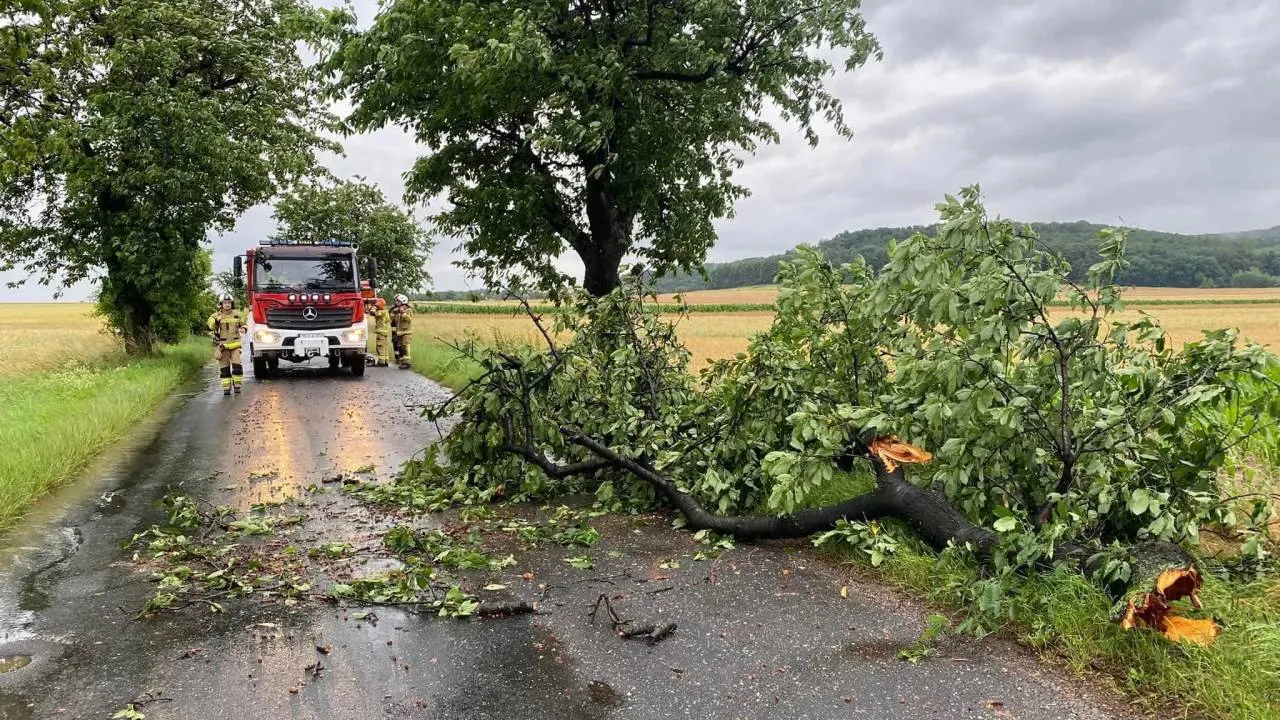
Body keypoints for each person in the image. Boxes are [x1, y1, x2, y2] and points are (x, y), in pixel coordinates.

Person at [208, 293, 247, 395]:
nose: (227, 305)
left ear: (231, 303)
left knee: (237, 366)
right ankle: (226, 388)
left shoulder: (237, 314)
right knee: (224, 369)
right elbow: (209, 327)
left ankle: (237, 386)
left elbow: (243, 323)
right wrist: (216, 321)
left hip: (235, 345)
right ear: (221, 304)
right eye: (225, 303)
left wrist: (243, 328)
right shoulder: (215, 316)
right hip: (222, 346)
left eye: (229, 302)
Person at [390, 294, 413, 369]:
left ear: (403, 302)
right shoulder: (397, 312)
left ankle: (407, 363)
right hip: (399, 333)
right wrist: (393, 312)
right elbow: (391, 320)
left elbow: (409, 319)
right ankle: (402, 361)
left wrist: (403, 312)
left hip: (406, 333)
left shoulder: (408, 310)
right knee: (400, 347)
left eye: (399, 302)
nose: (397, 303)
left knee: (405, 347)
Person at [371, 297, 393, 367]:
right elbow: (388, 320)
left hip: (381, 332)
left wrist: (373, 307)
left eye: (377, 305)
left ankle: (381, 362)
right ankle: (386, 361)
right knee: (385, 347)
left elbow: (372, 313)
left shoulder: (381, 312)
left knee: (380, 346)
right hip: (385, 331)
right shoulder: (386, 311)